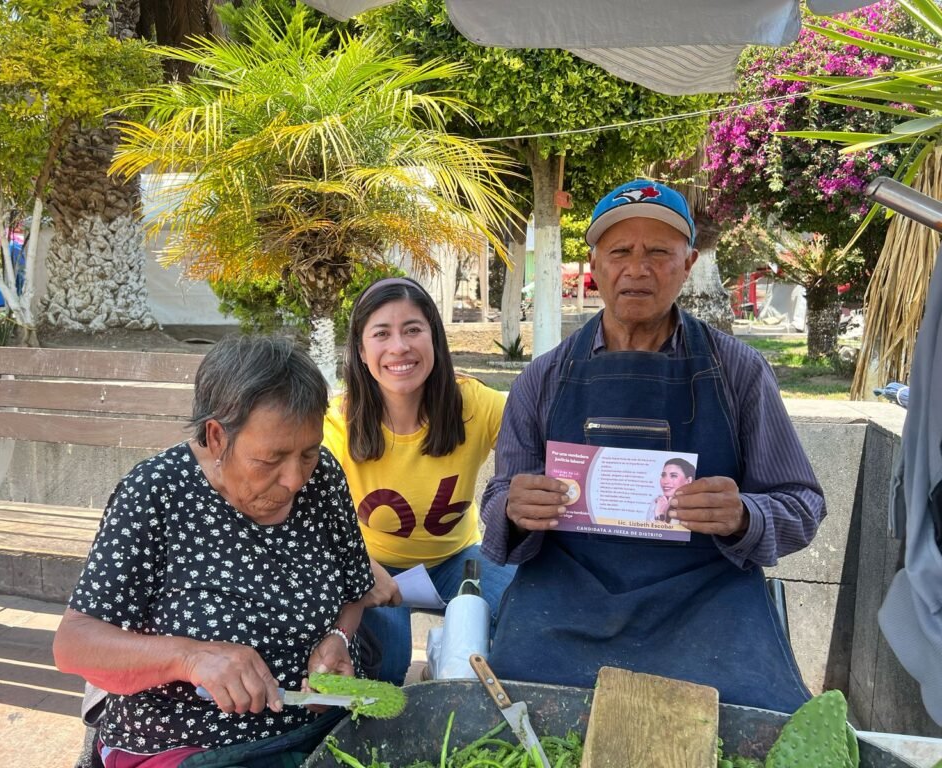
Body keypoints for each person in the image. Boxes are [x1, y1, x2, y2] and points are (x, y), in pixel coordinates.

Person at [480, 178, 826, 714]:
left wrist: (743, 515)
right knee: (512, 719)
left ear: (687, 265)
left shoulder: (738, 372)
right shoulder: (542, 378)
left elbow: (803, 505)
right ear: (594, 263)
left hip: (706, 602)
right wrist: (514, 508)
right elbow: (499, 501)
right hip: (566, 600)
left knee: (756, 721)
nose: (637, 269)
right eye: (620, 251)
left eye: (658, 253)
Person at [54, 336, 374, 768]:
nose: (296, 479)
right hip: (186, 739)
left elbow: (355, 588)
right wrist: (191, 657)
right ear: (217, 437)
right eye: (271, 459)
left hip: (312, 728)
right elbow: (74, 644)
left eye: (308, 452)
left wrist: (337, 640)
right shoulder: (157, 492)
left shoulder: (325, 477)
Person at [323, 276, 515, 685]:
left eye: (413, 330)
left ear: (434, 338)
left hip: (455, 558)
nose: (399, 347)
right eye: (382, 334)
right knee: (385, 670)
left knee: (521, 616)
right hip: (373, 565)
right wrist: (359, 568)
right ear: (360, 350)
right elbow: (308, 517)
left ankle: (442, 658)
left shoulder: (475, 403)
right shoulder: (335, 422)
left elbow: (538, 432)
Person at [650, 458, 695, 523]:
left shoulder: (693, 508)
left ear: (688, 480)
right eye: (663, 475)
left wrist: (660, 515)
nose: (665, 481)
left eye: (673, 476)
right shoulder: (657, 503)